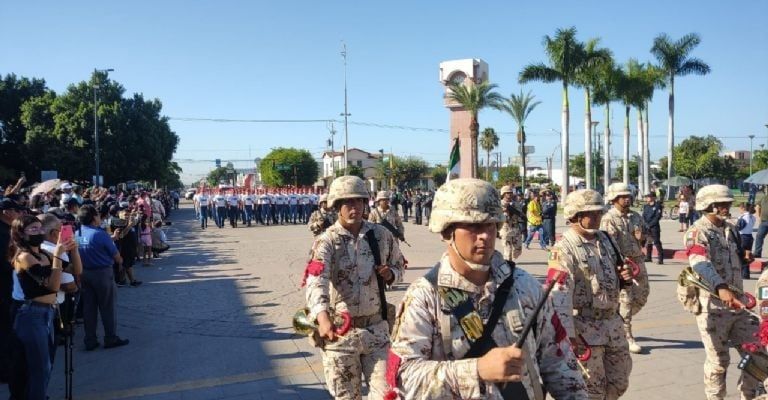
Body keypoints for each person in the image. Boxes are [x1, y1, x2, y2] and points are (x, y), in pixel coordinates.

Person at [388, 178, 586, 399]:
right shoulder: (425, 295)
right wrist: (477, 370)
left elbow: (561, 365)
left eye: (490, 225)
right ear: (446, 231)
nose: (485, 235)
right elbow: (403, 379)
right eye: (474, 226)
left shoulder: (525, 286)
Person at [304, 175, 405, 399]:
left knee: (389, 393)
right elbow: (316, 280)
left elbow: (399, 264)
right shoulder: (327, 241)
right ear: (337, 206)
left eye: (359, 201)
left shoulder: (380, 235)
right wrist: (322, 317)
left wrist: (391, 274)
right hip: (341, 334)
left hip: (376, 332)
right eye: (348, 202)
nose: (355, 207)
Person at [679, 185, 764, 399]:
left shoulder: (730, 228)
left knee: (759, 354)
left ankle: (748, 394)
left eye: (727, 203)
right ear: (708, 206)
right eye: (722, 204)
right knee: (718, 362)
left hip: (738, 304)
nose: (727, 207)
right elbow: (699, 263)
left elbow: (734, 254)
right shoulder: (697, 232)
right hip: (714, 307)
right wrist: (721, 287)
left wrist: (744, 256)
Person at [549, 189, 633, 399]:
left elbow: (617, 268)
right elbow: (559, 294)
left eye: (599, 213)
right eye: (591, 213)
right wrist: (567, 335)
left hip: (613, 325)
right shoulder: (564, 248)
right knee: (592, 390)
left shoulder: (606, 239)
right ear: (575, 215)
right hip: (584, 329)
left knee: (619, 382)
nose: (597, 217)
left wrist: (624, 274)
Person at [11, 215, 73, 400]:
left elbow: (75, 270)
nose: (39, 232)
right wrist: (57, 257)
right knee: (40, 367)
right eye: (33, 229)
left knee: (46, 364)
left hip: (48, 312)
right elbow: (53, 286)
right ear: (21, 234)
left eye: (40, 228)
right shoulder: (24, 257)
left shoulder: (44, 254)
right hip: (31, 314)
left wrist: (73, 250)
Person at [600, 183, 650, 354]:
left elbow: (646, 235)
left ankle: (617, 319)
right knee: (626, 300)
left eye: (628, 196)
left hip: (638, 261)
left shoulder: (635, 216)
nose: (627, 199)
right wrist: (618, 265)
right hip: (622, 264)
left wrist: (642, 237)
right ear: (614, 199)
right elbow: (608, 244)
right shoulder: (609, 219)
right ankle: (626, 335)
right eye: (622, 197)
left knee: (642, 295)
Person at [75, 205, 129, 351]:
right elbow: (116, 255)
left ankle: (90, 340)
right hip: (102, 273)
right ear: (93, 218)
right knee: (107, 307)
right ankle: (110, 338)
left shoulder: (77, 233)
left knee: (89, 308)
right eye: (97, 215)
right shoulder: (100, 234)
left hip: (84, 273)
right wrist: (120, 261)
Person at [499, 185, 523, 261]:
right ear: (503, 194)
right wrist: (504, 211)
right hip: (505, 228)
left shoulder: (515, 203)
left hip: (515, 227)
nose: (510, 194)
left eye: (511, 193)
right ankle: (508, 262)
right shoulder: (499, 204)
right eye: (507, 193)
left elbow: (520, 213)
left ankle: (512, 260)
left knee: (518, 249)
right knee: (508, 250)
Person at [642, 192, 664, 264]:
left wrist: (650, 225)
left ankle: (660, 258)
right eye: (647, 197)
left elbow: (657, 217)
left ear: (654, 198)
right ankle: (648, 257)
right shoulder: (645, 206)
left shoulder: (658, 206)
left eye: (649, 197)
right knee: (648, 242)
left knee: (657, 242)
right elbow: (643, 216)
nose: (648, 198)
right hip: (647, 227)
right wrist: (645, 224)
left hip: (654, 227)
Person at [737, 202, 757, 279]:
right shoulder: (752, 217)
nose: (739, 210)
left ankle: (743, 273)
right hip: (749, 237)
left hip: (742, 237)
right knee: (747, 255)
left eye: (740, 208)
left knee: (742, 255)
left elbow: (739, 227)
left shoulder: (742, 217)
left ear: (743, 208)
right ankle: (746, 274)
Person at [754, 186, 768, 258]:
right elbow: (757, 206)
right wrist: (758, 217)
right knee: (759, 236)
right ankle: (757, 253)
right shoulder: (764, 198)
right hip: (764, 221)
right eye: (766, 188)